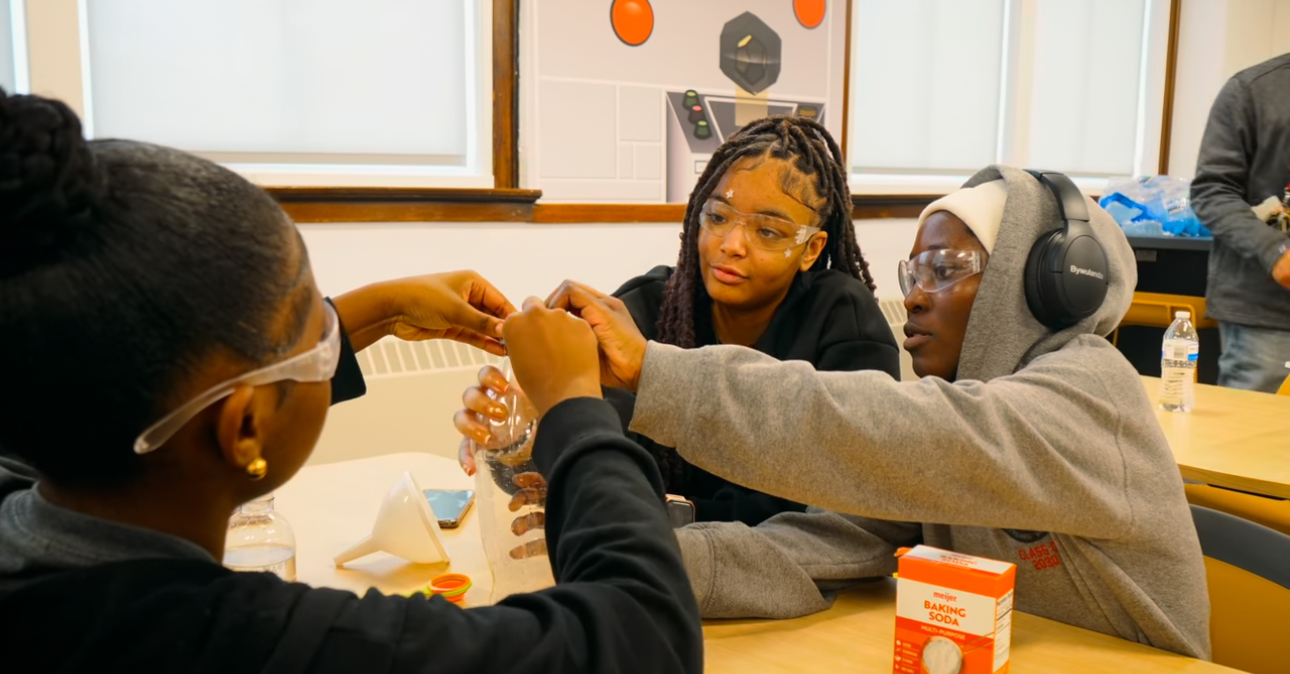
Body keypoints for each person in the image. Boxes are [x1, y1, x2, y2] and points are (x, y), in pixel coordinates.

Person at [0, 92, 702, 673]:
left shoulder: (44, 477)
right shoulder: (256, 644)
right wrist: (574, 406)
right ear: (245, 428)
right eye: (313, 321)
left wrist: (382, 310)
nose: (331, 325)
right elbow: (645, 637)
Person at [457, 165, 1211, 658]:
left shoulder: (1090, 395)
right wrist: (623, 562)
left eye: (945, 270)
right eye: (913, 273)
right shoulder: (956, 421)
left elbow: (886, 434)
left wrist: (653, 372)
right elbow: (815, 545)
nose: (915, 297)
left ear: (1047, 284)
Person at [459, 116, 900, 527]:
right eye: (718, 217)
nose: (732, 244)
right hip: (652, 564)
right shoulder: (642, 312)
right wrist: (518, 436)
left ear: (811, 249)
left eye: (767, 231)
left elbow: (842, 507)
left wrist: (660, 518)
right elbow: (580, 471)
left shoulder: (844, 319)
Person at [1191, 52, 1290, 392]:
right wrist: (1274, 251)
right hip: (1268, 317)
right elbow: (1212, 191)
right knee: (1255, 424)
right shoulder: (1252, 90)